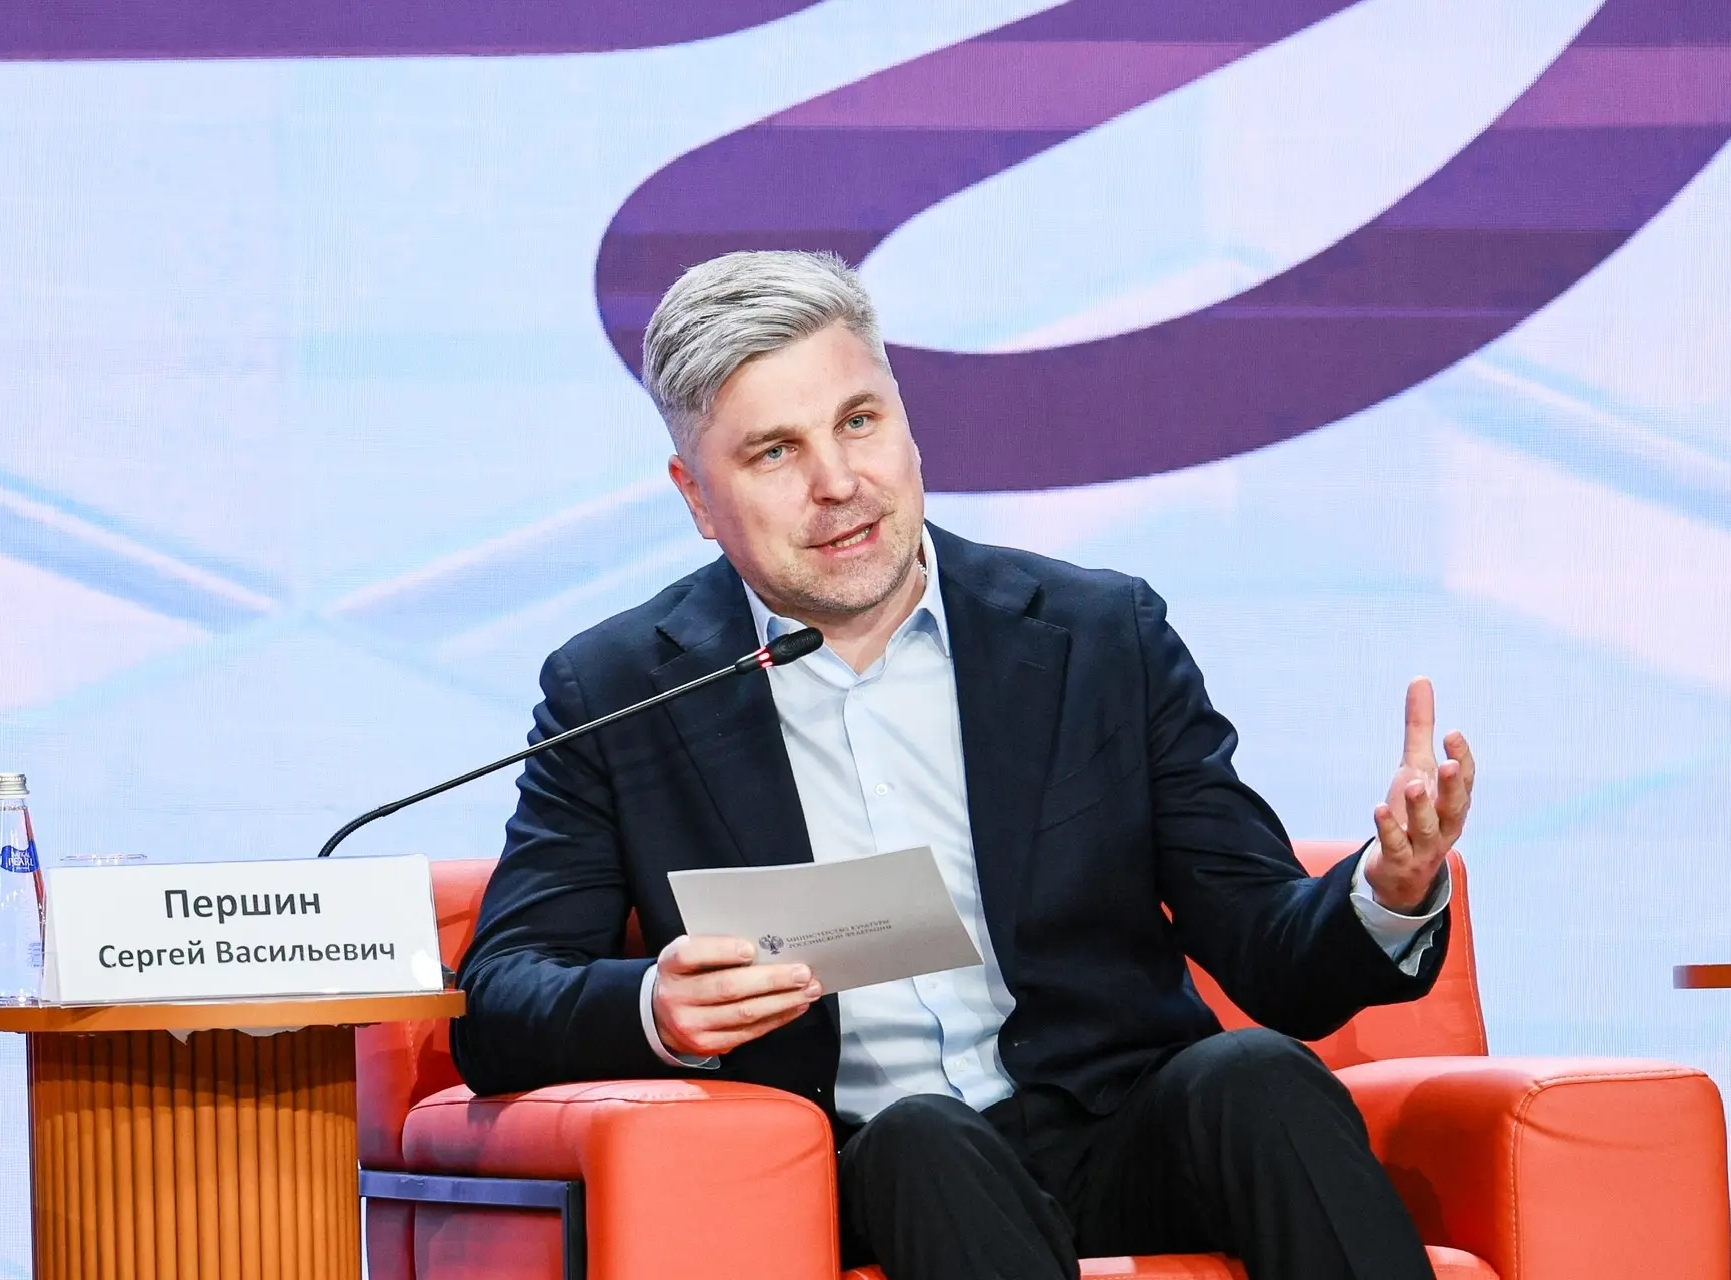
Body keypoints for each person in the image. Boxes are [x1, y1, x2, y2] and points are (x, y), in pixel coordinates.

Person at [452, 250, 1474, 1280]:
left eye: (860, 421)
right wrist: (655, 1008)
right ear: (698, 499)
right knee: (924, 1136)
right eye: (775, 452)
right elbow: (501, 998)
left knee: (1255, 1073)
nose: (839, 483)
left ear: (906, 420)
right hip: (873, 1168)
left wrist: (1386, 894)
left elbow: (1268, 950)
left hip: (1117, 1130)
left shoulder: (1097, 635)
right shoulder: (618, 692)